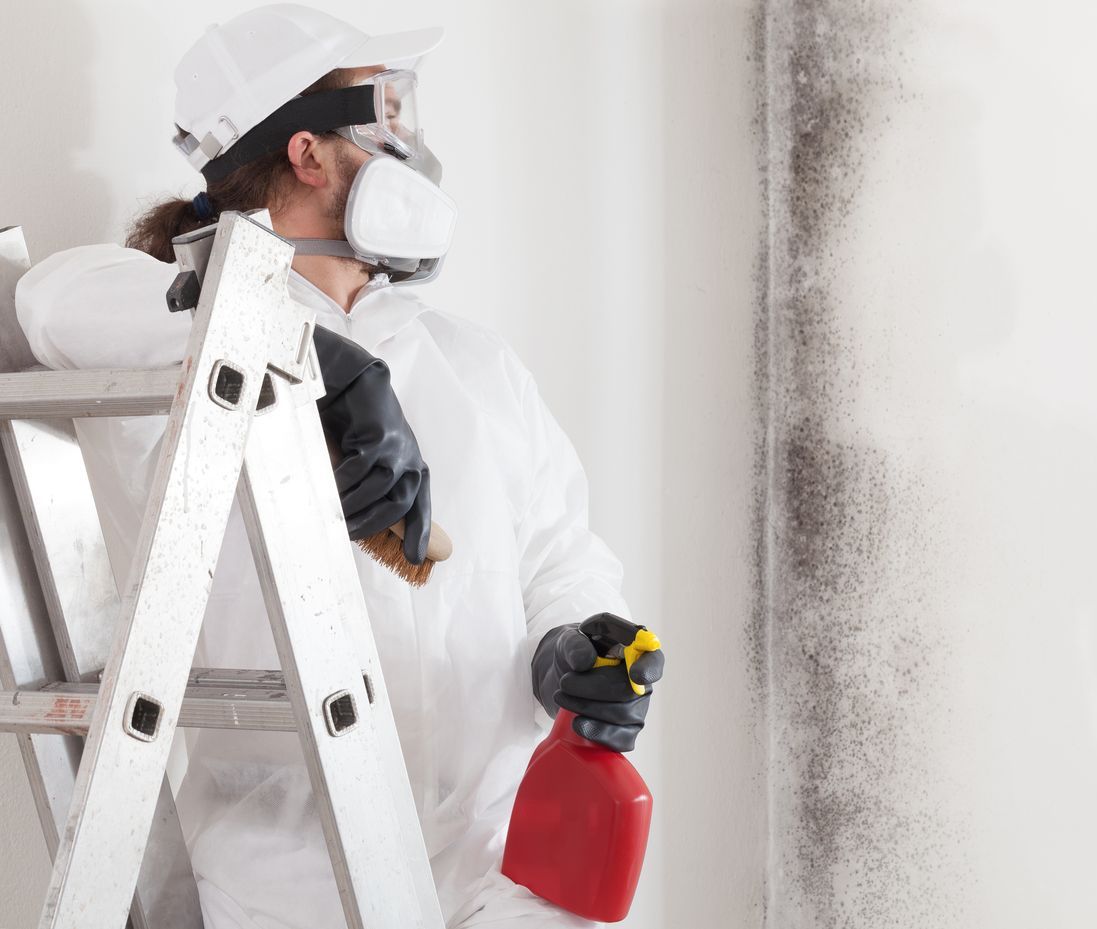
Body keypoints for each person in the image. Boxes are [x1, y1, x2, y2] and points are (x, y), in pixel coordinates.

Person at [12, 5, 662, 926]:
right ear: (309, 153)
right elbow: (48, 298)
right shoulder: (176, 352)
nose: (415, 147)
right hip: (288, 885)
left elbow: (561, 557)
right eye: (389, 114)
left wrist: (572, 644)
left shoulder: (473, 365)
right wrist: (304, 358)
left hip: (501, 875)